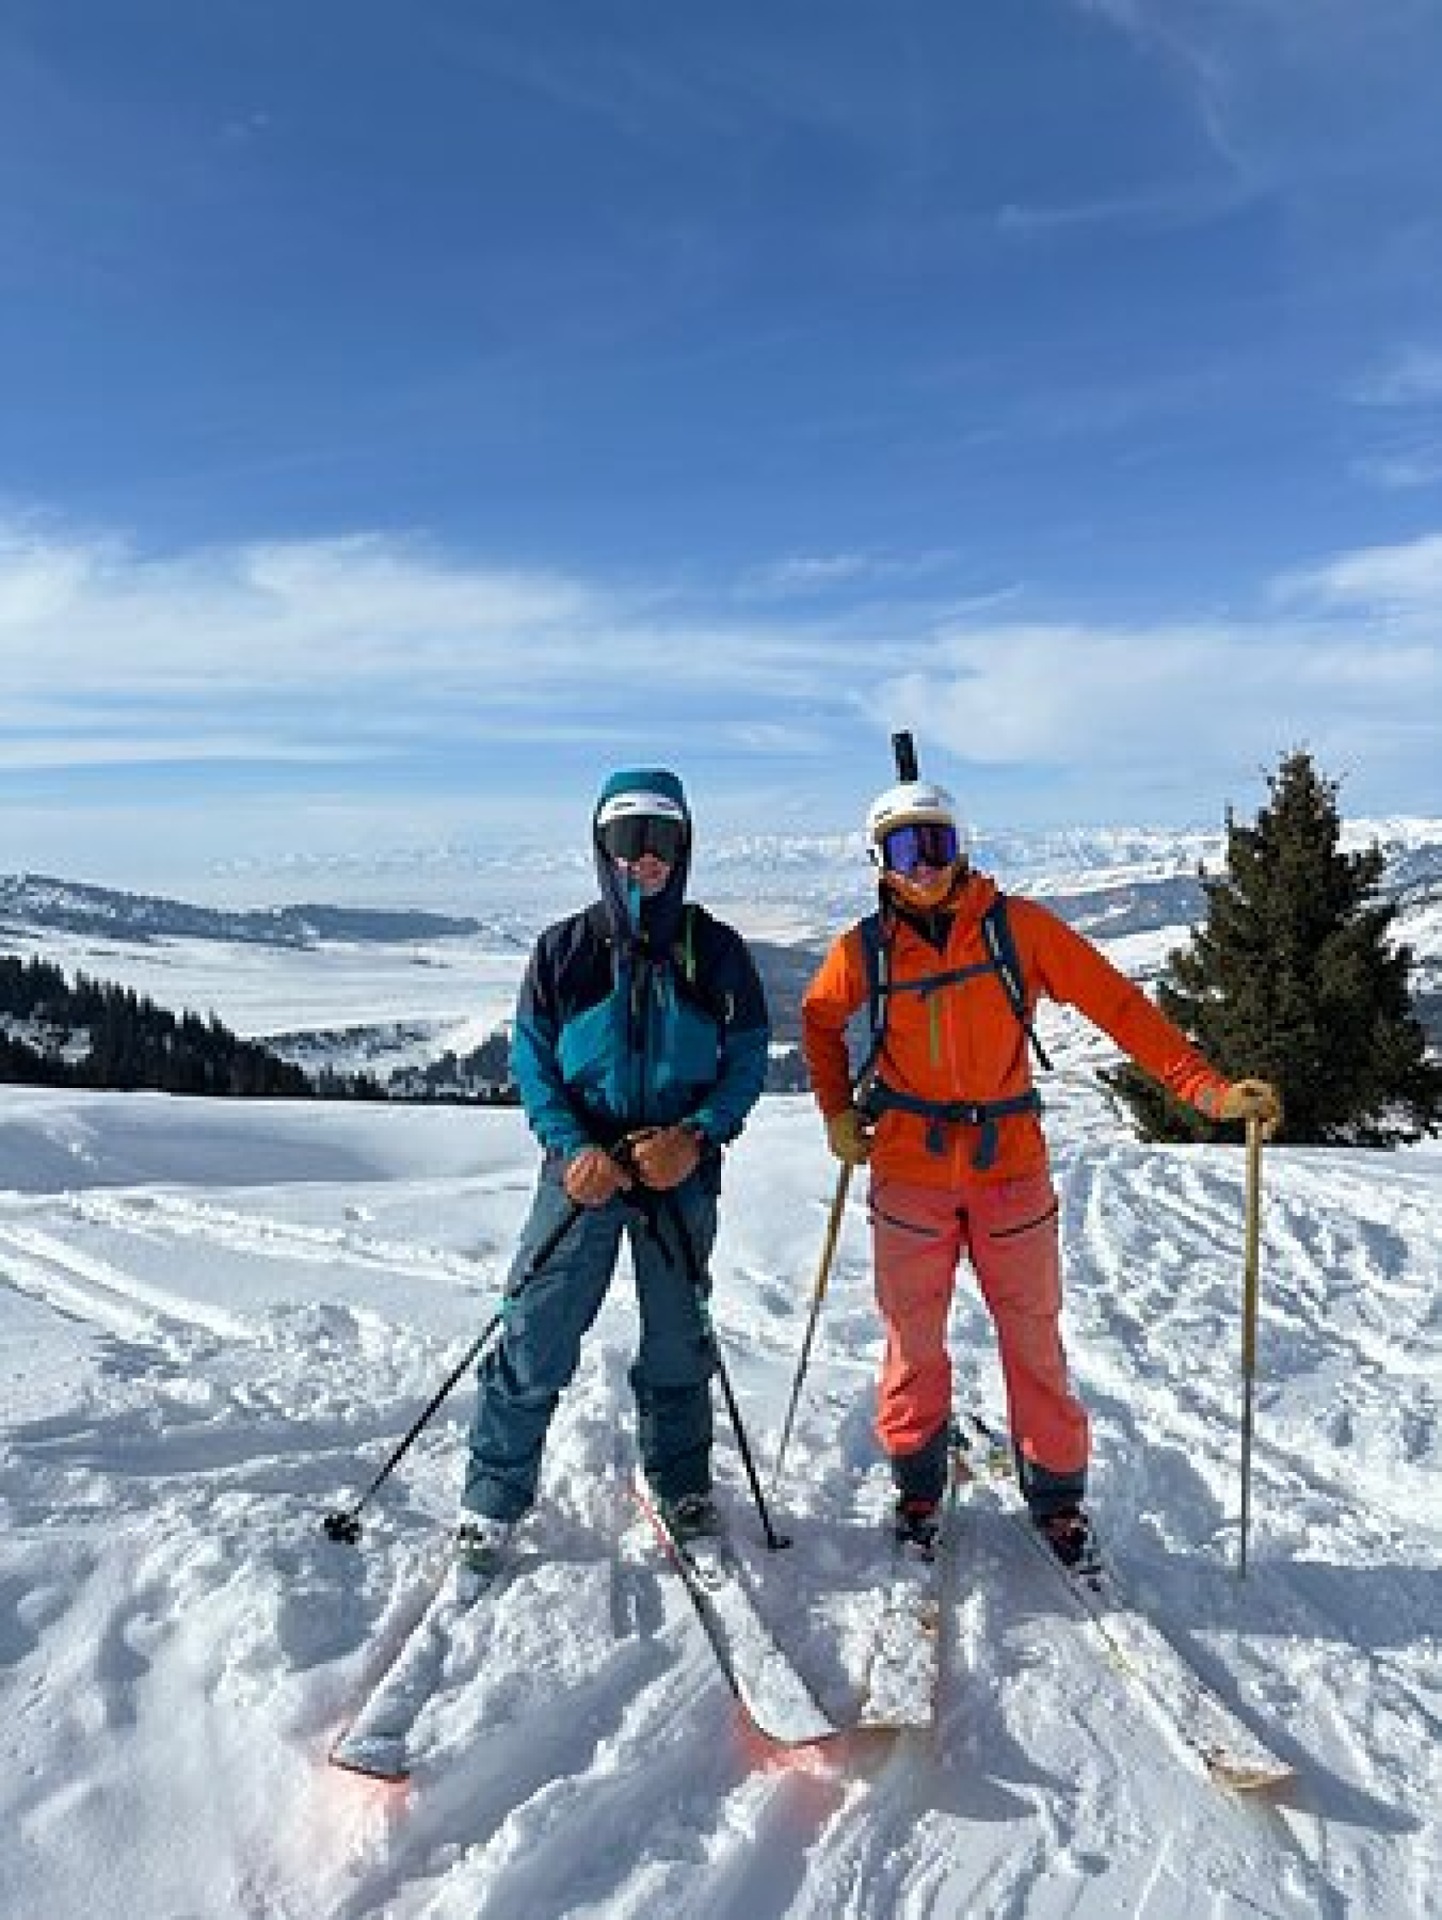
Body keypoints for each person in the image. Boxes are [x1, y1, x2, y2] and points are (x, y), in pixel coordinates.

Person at [801, 775, 1281, 1566]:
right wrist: (835, 1112)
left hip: (1008, 1170)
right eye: (902, 848)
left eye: (937, 843)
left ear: (960, 848)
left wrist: (1207, 1090)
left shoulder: (1016, 930)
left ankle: (1057, 1500)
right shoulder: (863, 949)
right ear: (877, 860)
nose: (922, 865)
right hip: (909, 1170)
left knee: (1033, 1338)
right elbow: (820, 1020)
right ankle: (917, 1484)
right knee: (911, 1337)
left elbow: (1118, 1007)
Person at [455, 767, 769, 1584]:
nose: (646, 859)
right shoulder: (564, 951)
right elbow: (532, 1062)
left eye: (662, 839)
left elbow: (743, 1062)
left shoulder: (716, 950)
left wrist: (698, 1137)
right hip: (583, 1169)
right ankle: (491, 1497)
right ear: (602, 848)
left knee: (677, 1339)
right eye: (628, 841)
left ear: (684, 847)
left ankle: (682, 1484)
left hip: (678, 1170)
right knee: (536, 1329)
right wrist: (569, 1146)